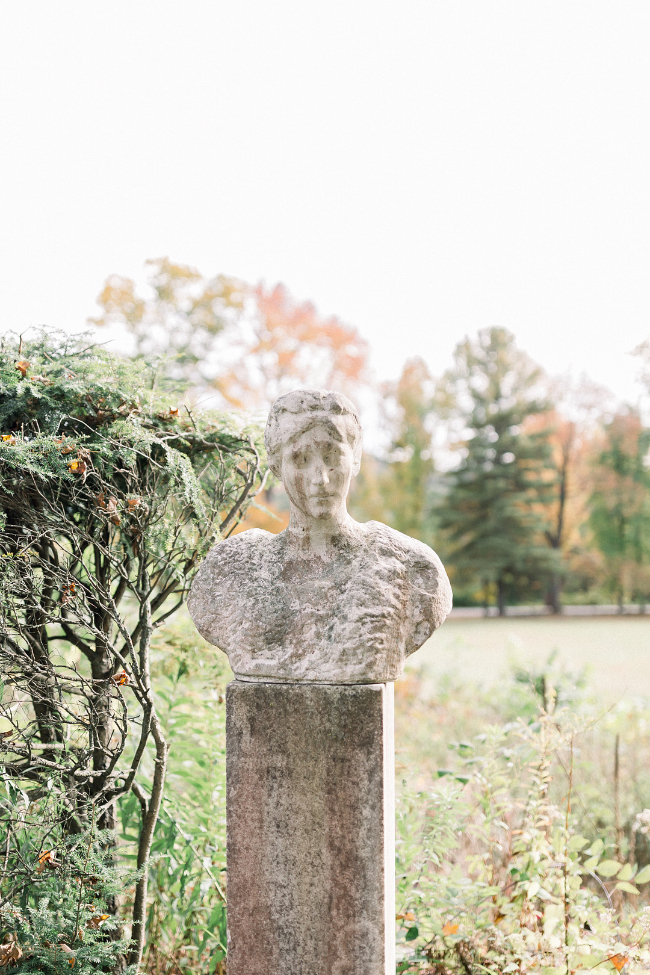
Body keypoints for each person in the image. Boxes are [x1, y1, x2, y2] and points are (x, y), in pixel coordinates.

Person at [188, 389, 452, 683]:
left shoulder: (409, 568)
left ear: (355, 460)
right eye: (300, 459)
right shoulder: (232, 568)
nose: (320, 478)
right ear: (276, 466)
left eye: (331, 457)